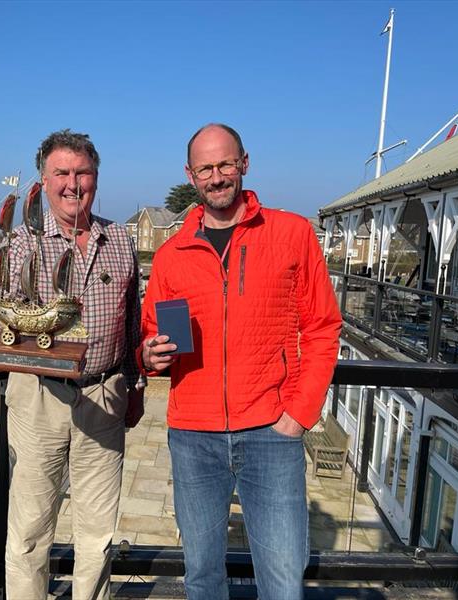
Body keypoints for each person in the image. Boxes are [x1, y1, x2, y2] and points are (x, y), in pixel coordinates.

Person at [140, 123, 342, 600]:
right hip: (192, 435)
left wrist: (299, 415)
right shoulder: (170, 255)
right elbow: (151, 336)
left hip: (272, 429)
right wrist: (149, 355)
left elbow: (323, 327)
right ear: (190, 175)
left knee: (282, 580)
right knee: (203, 579)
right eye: (206, 168)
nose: (217, 177)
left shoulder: (291, 233)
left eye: (225, 164)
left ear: (244, 163)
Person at [0, 129, 145, 600]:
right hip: (37, 397)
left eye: (82, 173)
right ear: (44, 181)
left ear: (96, 177)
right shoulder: (17, 245)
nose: (73, 183)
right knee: (30, 528)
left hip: (104, 396)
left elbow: (132, 324)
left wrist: (134, 389)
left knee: (97, 531)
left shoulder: (119, 238)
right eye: (62, 173)